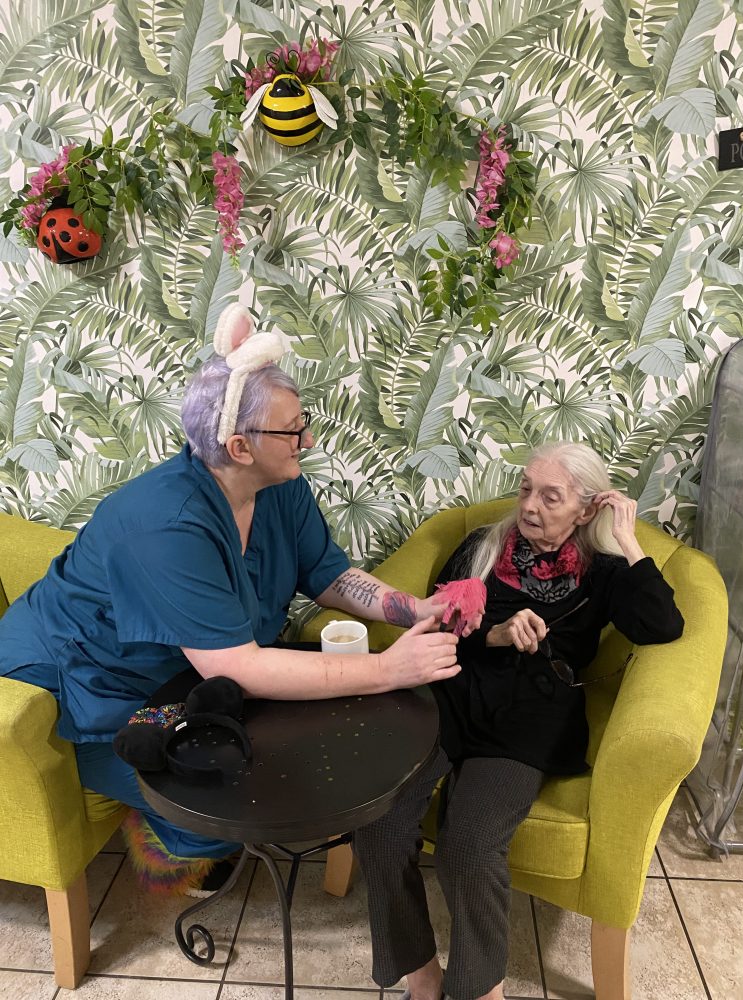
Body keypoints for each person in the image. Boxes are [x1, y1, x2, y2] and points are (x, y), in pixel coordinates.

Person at [0, 303, 462, 894]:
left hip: (191, 678)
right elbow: (236, 664)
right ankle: (172, 837)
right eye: (293, 429)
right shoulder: (166, 528)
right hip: (94, 687)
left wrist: (412, 607)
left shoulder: (278, 484)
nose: (309, 438)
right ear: (239, 446)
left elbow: (328, 575)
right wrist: (387, 669)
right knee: (226, 816)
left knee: (265, 773)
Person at [352, 441, 685, 1000]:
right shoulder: (483, 546)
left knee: (469, 847)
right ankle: (422, 976)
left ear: (584, 510)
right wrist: (496, 633)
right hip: (452, 690)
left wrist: (628, 539)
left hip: (531, 715)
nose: (530, 505)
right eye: (527, 487)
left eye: (550, 496)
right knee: (378, 821)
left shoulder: (603, 572)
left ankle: (483, 991)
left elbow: (664, 624)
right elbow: (443, 621)